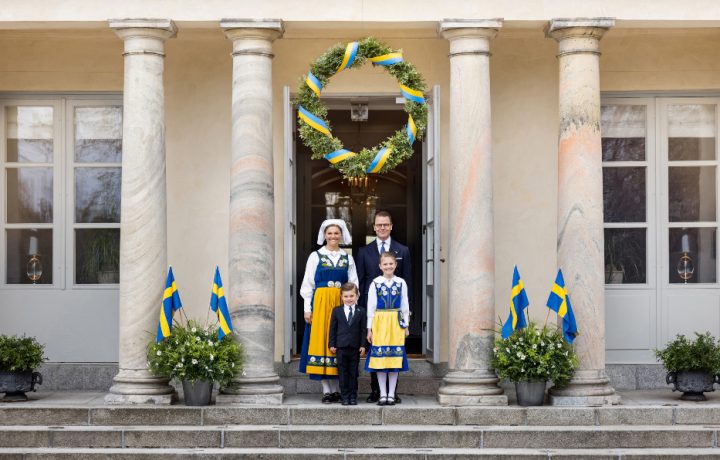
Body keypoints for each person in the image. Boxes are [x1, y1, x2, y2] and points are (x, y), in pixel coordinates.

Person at [299, 219, 359, 403]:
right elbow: (308, 283)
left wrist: (352, 308)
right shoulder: (315, 256)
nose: (333, 236)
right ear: (324, 235)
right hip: (321, 303)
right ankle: (327, 390)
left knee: (339, 342)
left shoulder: (348, 257)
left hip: (341, 303)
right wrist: (307, 308)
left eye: (336, 233)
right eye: (330, 233)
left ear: (341, 235)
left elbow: (354, 283)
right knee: (323, 341)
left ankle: (338, 389)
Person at [356, 210, 411, 403]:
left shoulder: (402, 250)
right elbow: (361, 282)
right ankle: (375, 391)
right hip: (375, 314)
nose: (382, 228)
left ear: (391, 226)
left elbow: (407, 284)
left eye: (385, 224)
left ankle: (392, 392)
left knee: (394, 352)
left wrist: (406, 319)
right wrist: (364, 315)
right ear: (374, 227)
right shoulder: (364, 251)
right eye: (378, 225)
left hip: (395, 316)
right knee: (376, 350)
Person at [365, 251, 410, 406]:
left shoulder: (401, 282)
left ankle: (391, 394)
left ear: (395, 265)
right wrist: (369, 328)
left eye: (391, 263)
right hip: (380, 321)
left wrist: (406, 325)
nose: (388, 266)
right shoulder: (375, 283)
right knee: (381, 359)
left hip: (396, 322)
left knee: (394, 359)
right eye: (385, 264)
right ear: (380, 266)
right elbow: (370, 307)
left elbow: (405, 305)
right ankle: (382, 394)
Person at [329, 282, 367, 405]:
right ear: (341, 297)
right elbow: (332, 329)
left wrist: (363, 345)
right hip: (341, 347)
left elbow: (363, 330)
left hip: (355, 347)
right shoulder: (337, 311)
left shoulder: (361, 311)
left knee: (353, 372)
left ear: (357, 296)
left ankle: (353, 396)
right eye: (346, 296)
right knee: (343, 372)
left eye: (351, 296)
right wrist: (332, 344)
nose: (349, 299)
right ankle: (344, 396)